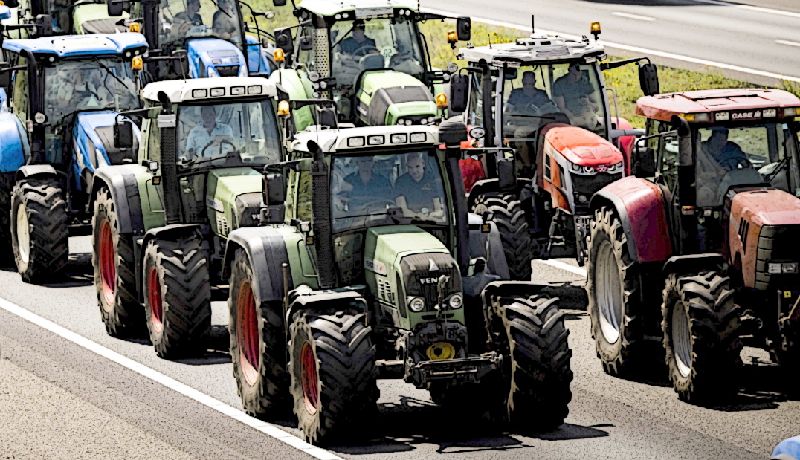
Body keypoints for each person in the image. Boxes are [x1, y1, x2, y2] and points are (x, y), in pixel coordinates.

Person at [696, 126, 750, 205]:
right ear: (712, 137)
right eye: (718, 140)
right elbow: (698, 175)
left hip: (733, 184)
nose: (721, 143)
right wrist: (716, 174)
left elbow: (746, 166)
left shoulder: (733, 149)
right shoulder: (701, 151)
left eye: (723, 140)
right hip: (711, 185)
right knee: (704, 195)